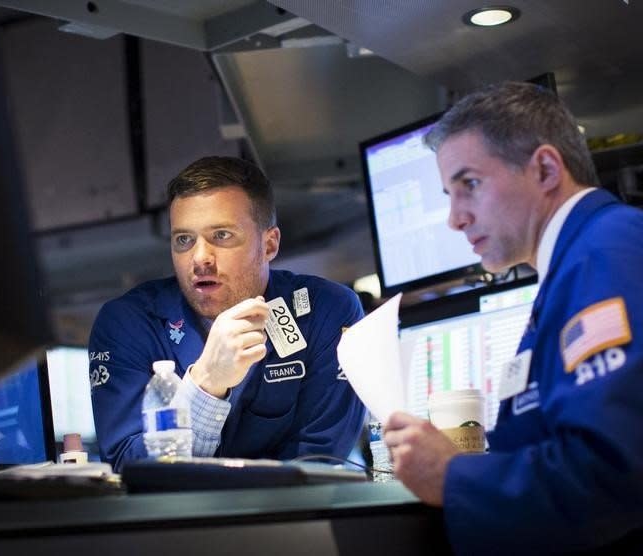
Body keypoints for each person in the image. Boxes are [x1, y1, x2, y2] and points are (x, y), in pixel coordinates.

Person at [383, 81, 643, 555]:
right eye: (449, 193)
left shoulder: (607, 250)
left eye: (471, 185)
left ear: (544, 169)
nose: (455, 219)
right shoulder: (573, 264)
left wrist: (453, 475)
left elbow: (611, 470)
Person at [89, 156, 366, 470]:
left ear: (270, 245)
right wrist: (205, 384)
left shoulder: (327, 311)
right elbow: (129, 466)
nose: (200, 257)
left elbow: (320, 464)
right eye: (184, 240)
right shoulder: (128, 323)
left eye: (221, 236)